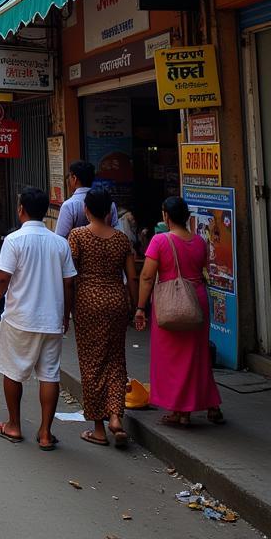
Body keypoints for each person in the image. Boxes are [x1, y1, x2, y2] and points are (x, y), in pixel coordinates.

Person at [0, 187, 77, 450]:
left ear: (21, 209)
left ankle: (14, 425)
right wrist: (66, 314)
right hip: (52, 319)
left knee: (12, 371)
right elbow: (69, 283)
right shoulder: (60, 242)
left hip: (20, 318)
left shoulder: (14, 240)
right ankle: (45, 433)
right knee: (49, 374)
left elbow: (2, 278)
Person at [135, 196, 223, 427]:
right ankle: (210, 404)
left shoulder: (160, 241)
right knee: (197, 356)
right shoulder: (199, 242)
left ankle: (179, 410)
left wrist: (140, 307)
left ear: (166, 215)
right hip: (196, 299)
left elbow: (146, 276)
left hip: (171, 302)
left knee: (172, 358)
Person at [68, 187, 138, 447]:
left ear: (86, 209)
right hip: (117, 301)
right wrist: (137, 307)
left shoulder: (78, 236)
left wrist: (66, 308)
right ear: (110, 210)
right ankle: (116, 416)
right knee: (116, 359)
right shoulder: (121, 240)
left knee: (91, 363)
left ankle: (99, 428)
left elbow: (69, 274)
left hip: (88, 302)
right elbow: (132, 277)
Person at [55, 161, 117, 238]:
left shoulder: (69, 205)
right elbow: (114, 230)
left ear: (74, 178)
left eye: (69, 176)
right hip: (107, 249)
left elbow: (60, 237)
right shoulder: (109, 203)